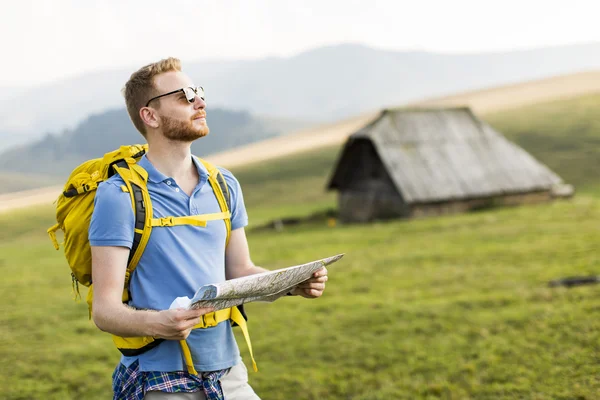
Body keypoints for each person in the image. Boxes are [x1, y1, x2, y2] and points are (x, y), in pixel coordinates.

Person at [89, 57, 329, 400]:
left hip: (228, 372)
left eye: (198, 92)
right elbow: (105, 310)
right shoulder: (120, 195)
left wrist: (292, 283)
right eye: (185, 96)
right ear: (150, 115)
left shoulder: (223, 184)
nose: (199, 102)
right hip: (160, 379)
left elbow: (241, 271)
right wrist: (159, 323)